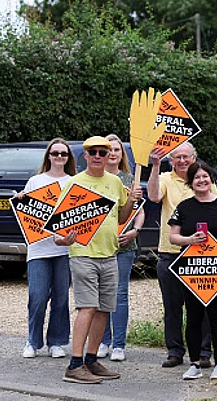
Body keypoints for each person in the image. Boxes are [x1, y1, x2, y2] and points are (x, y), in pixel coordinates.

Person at [55, 136, 142, 384]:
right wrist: (64, 240)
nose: (97, 156)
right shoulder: (74, 183)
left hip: (109, 253)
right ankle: (74, 364)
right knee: (88, 307)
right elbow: (59, 225)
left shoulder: (115, 182)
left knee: (105, 308)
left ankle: (91, 360)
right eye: (92, 152)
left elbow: (122, 215)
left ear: (108, 156)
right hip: (83, 254)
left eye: (102, 152)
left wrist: (132, 201)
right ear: (85, 156)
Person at [168, 161, 217, 381]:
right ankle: (194, 363)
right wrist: (189, 240)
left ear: (211, 179)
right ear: (190, 183)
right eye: (197, 178)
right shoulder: (183, 206)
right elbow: (173, 237)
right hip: (191, 271)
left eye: (205, 177)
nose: (202, 181)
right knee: (192, 317)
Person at [147, 142, 215, 368]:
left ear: (194, 158)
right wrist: (155, 166)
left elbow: (216, 210)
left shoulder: (204, 179)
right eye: (178, 157)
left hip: (200, 254)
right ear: (171, 160)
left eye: (186, 157)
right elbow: (154, 196)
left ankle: (204, 352)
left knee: (202, 306)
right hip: (171, 252)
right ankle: (175, 351)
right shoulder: (165, 178)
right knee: (172, 307)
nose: (183, 161)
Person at [19, 138, 75, 359]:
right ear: (48, 156)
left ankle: (56, 342)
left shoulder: (73, 181)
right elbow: (25, 212)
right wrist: (21, 200)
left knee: (61, 298)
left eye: (63, 154)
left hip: (64, 251)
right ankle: (32, 341)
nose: (59, 157)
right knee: (38, 295)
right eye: (55, 153)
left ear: (69, 157)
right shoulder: (35, 181)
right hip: (39, 250)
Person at [97, 134, 145, 362]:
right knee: (101, 295)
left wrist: (136, 230)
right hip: (100, 246)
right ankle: (102, 341)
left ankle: (118, 345)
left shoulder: (129, 179)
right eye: (109, 149)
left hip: (125, 246)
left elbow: (140, 210)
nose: (113, 153)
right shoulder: (95, 179)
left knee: (120, 293)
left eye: (116, 149)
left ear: (121, 154)